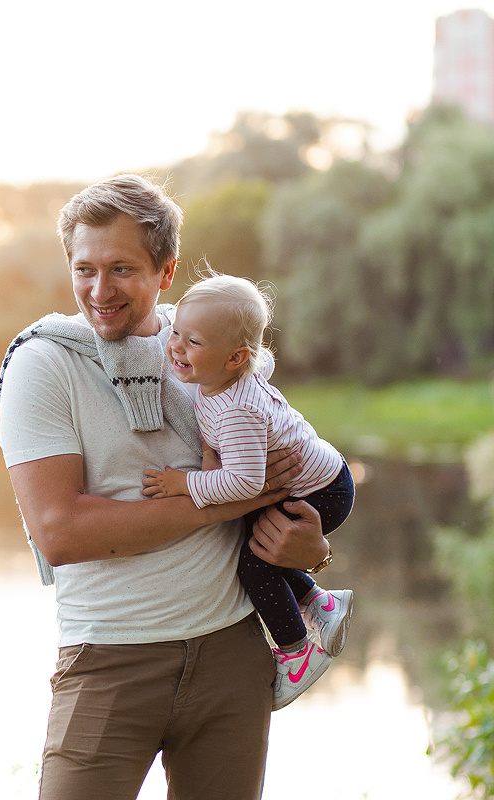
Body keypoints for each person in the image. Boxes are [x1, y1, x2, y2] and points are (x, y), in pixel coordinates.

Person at [0, 174, 332, 800]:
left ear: (165, 270)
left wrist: (309, 551)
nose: (100, 290)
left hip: (232, 653)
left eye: (121, 268)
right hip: (109, 658)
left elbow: (285, 464)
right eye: (84, 268)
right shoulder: (43, 366)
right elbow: (62, 532)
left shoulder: (211, 341)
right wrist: (220, 499)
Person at [141, 273, 355, 710]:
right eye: (175, 333)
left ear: (236, 357)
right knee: (257, 543)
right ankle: (320, 602)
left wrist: (183, 483)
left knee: (256, 564)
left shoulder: (238, 408)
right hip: (321, 476)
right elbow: (236, 393)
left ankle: (297, 655)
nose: (176, 347)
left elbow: (244, 483)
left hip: (322, 491)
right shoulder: (218, 379)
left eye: (193, 342)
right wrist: (207, 450)